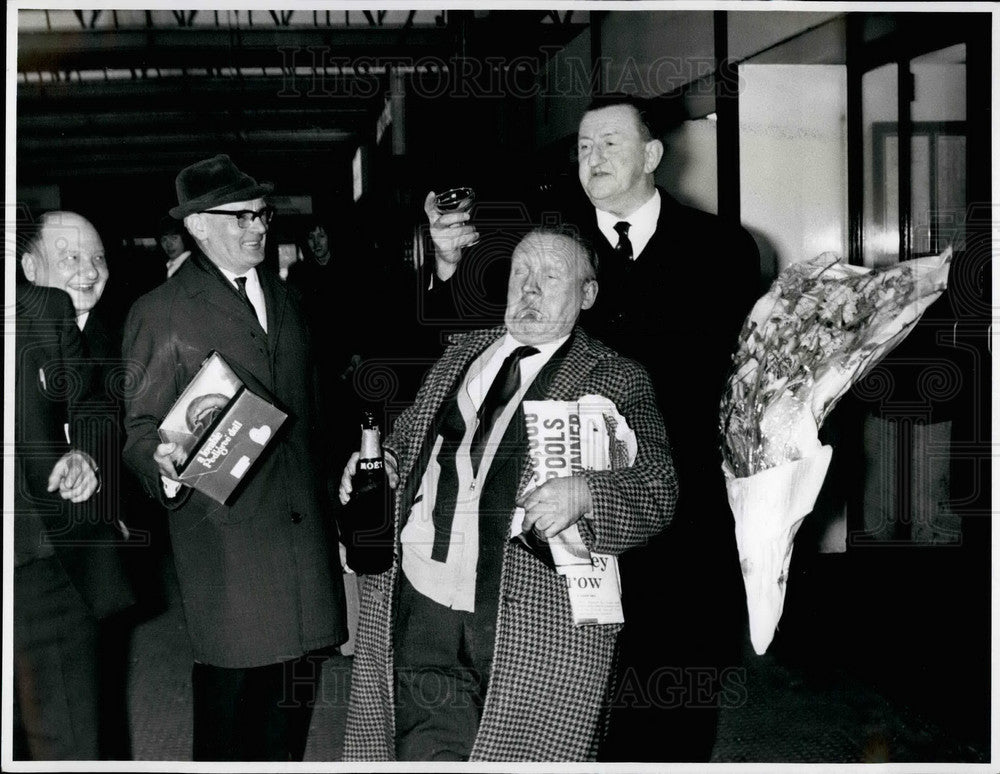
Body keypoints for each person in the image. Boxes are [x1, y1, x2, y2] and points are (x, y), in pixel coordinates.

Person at [422, 93, 761, 761]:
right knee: (571, 704)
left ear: (653, 155)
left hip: (684, 513)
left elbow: (751, 379)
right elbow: (461, 336)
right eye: (583, 146)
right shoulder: (547, 244)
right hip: (558, 518)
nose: (593, 157)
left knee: (677, 695)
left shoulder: (721, 249)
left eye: (610, 143)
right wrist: (444, 263)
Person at [339, 226, 678, 761]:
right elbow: (405, 438)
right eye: (521, 273)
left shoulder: (616, 378)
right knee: (421, 751)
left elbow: (660, 490)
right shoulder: (463, 354)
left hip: (529, 624)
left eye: (550, 277)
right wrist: (379, 462)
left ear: (586, 295)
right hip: (423, 598)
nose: (530, 290)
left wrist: (587, 493)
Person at [121, 154, 348, 761]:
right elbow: (139, 430)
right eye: (241, 216)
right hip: (226, 545)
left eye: (262, 214)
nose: (258, 227)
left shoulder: (290, 299)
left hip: (300, 539)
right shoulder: (159, 312)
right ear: (196, 226)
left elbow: (317, 417)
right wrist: (162, 466)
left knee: (289, 715)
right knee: (229, 712)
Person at [19, 210, 149, 759]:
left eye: (97, 258)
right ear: (30, 266)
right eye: (71, 258)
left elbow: (104, 414)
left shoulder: (99, 332)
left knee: (71, 736)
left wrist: (90, 458)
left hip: (56, 561)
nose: (88, 271)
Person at [158, 214, 192, 279]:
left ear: (184, 238)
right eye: (164, 239)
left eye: (174, 238)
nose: (168, 244)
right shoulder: (168, 266)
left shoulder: (192, 266)